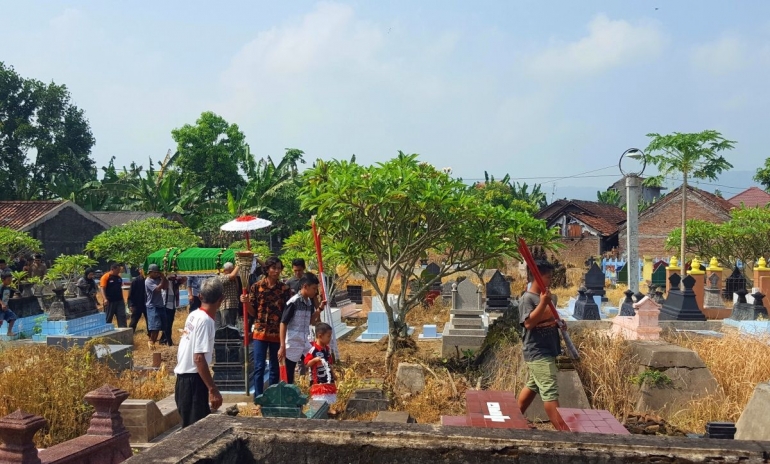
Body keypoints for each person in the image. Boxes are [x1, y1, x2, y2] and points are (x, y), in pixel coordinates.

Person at [517, 260, 568, 431]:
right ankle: (563, 430)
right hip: (537, 350)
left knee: (533, 385)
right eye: (547, 277)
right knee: (549, 390)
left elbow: (550, 318)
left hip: (550, 347)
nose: (551, 280)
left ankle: (516, 417)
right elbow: (529, 324)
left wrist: (559, 323)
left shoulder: (549, 297)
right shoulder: (527, 299)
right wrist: (543, 303)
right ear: (537, 277)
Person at [174, 277, 223, 428]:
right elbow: (199, 358)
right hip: (193, 381)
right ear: (221, 299)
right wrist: (212, 389)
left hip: (184, 380)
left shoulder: (194, 314)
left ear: (200, 296)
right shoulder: (205, 321)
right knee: (196, 431)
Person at [240, 256, 292, 399]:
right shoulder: (256, 287)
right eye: (273, 268)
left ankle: (272, 396)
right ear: (267, 269)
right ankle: (258, 397)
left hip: (276, 332)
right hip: (260, 332)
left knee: (275, 367)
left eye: (279, 268)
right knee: (259, 366)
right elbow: (252, 312)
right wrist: (246, 303)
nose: (276, 271)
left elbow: (287, 312)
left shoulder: (285, 289)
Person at [279, 272, 326, 384]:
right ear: (305, 286)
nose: (315, 291)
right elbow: (283, 323)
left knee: (317, 359)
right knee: (289, 372)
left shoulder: (308, 302)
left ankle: (316, 386)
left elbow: (310, 320)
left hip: (305, 340)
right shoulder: (293, 302)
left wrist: (319, 309)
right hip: (293, 341)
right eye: (314, 288)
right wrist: (282, 346)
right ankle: (289, 395)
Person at [305, 322, 337, 406]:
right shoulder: (313, 350)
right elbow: (307, 364)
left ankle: (329, 407)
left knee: (329, 393)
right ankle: (317, 409)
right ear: (320, 336)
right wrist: (314, 360)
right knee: (319, 395)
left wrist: (333, 374)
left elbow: (329, 363)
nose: (330, 338)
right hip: (317, 378)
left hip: (328, 377)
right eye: (328, 336)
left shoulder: (327, 349)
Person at [145, 264, 168, 350]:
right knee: (155, 326)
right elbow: (158, 289)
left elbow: (165, 287)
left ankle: (153, 342)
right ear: (150, 272)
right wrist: (162, 279)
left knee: (161, 326)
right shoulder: (148, 281)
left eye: (157, 272)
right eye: (155, 272)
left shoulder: (159, 279)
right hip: (152, 306)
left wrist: (164, 278)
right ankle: (151, 341)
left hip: (160, 305)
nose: (156, 274)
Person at [160, 273, 185, 346]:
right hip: (166, 303)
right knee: (167, 324)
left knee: (169, 324)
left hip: (173, 304)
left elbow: (184, 279)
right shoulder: (164, 279)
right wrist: (167, 276)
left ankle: (164, 340)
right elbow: (164, 287)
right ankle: (168, 341)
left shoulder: (175, 280)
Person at [217, 263, 241, 328]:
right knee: (227, 327)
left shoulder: (234, 278)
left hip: (234, 304)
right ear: (225, 270)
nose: (233, 271)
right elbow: (232, 276)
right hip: (226, 306)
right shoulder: (221, 277)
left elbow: (237, 288)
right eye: (231, 270)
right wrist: (239, 264)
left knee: (233, 326)